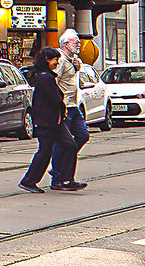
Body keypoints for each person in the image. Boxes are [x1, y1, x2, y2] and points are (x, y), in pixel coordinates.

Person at [16, 42, 63, 192]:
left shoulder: (45, 76)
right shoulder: (46, 78)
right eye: (54, 59)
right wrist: (62, 107)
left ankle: (60, 177)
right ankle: (29, 180)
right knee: (44, 151)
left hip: (48, 120)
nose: (56, 62)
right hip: (46, 121)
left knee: (50, 150)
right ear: (46, 60)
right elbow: (55, 99)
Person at [51, 30, 88, 190]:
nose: (78, 44)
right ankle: (59, 177)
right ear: (65, 44)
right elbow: (53, 80)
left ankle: (64, 172)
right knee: (63, 143)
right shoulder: (59, 60)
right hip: (64, 107)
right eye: (75, 42)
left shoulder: (73, 60)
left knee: (82, 135)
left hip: (74, 106)